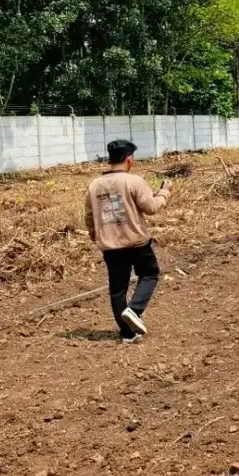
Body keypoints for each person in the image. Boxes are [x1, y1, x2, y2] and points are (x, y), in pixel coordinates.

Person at [84, 139, 172, 344]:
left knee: (118, 289)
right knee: (149, 274)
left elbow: (89, 217)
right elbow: (151, 207)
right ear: (129, 159)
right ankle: (134, 310)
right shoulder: (134, 182)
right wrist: (164, 192)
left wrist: (95, 235)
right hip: (136, 242)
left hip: (110, 246)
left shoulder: (94, 186)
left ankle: (127, 334)